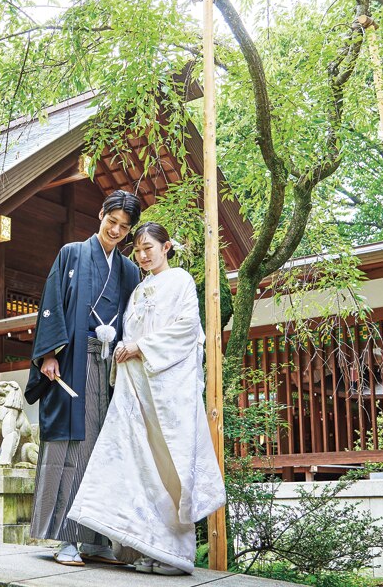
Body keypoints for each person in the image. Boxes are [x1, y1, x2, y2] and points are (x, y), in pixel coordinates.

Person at [66, 221, 226, 576]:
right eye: (137, 250)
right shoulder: (139, 290)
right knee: (138, 464)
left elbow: (188, 328)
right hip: (137, 387)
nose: (142, 255)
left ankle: (177, 553)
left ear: (166, 247)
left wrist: (140, 346)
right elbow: (130, 332)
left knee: (170, 465)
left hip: (168, 391)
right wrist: (123, 346)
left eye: (148, 248)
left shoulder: (180, 280)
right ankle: (148, 546)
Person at [25, 189, 143, 567]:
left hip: (114, 368)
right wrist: (48, 354)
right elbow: (52, 304)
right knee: (72, 447)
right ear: (101, 214)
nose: (116, 230)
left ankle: (97, 538)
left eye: (124, 227)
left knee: (106, 449)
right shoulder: (72, 254)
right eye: (112, 221)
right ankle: (67, 538)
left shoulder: (129, 271)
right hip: (74, 362)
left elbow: (137, 319)